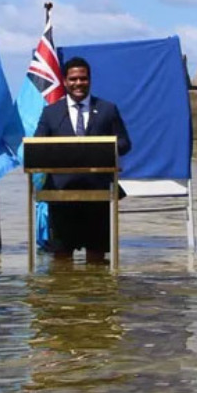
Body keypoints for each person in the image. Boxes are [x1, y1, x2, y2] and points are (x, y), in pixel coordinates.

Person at [33, 56, 131, 262]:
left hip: (98, 193)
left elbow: (124, 144)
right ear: (65, 81)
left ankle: (95, 293)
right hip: (60, 195)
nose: (78, 83)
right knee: (61, 260)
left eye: (83, 79)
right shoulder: (51, 113)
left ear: (90, 80)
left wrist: (101, 149)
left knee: (96, 259)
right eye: (73, 79)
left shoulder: (107, 109)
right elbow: (37, 145)